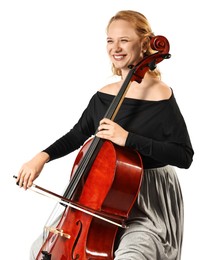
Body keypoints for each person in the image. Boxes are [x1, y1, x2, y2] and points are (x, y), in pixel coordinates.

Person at [16, 10, 194, 260]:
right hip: (100, 198)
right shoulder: (104, 95)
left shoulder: (160, 95)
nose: (115, 47)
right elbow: (77, 134)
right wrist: (41, 157)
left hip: (148, 203)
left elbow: (184, 156)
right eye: (110, 40)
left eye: (124, 40)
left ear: (145, 43)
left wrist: (127, 138)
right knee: (43, 249)